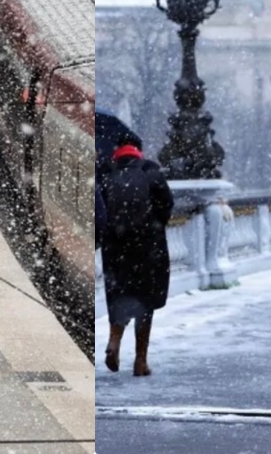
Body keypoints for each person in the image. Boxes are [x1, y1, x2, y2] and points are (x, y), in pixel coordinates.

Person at [100, 134, 174, 377]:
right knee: (145, 302)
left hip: (115, 248)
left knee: (119, 296)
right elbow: (167, 205)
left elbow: (100, 212)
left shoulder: (106, 172)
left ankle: (114, 342)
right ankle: (140, 361)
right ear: (137, 151)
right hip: (147, 249)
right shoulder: (150, 172)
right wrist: (152, 227)